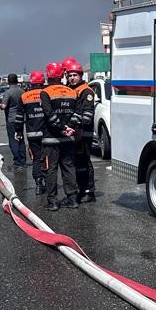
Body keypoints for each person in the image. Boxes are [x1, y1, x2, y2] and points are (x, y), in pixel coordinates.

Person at [39, 61, 78, 211]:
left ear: (48, 75)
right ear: (62, 75)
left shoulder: (46, 92)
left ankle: (53, 201)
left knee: (50, 170)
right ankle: (72, 199)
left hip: (51, 139)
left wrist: (61, 128)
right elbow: (75, 113)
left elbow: (49, 114)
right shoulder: (71, 92)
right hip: (68, 138)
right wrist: (70, 128)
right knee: (68, 168)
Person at [64, 58, 97, 203]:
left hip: (83, 133)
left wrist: (72, 126)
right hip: (73, 132)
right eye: (70, 75)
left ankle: (89, 192)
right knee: (76, 163)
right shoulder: (70, 90)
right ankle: (80, 189)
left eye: (75, 75)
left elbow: (87, 116)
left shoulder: (86, 91)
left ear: (81, 75)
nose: (72, 78)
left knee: (84, 162)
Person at [19, 70, 48, 194]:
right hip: (46, 133)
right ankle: (48, 182)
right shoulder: (47, 93)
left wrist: (18, 131)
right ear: (42, 82)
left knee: (36, 158)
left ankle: (38, 185)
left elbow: (19, 117)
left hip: (32, 133)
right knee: (47, 157)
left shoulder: (25, 96)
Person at [1, 73, 27, 169]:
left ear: (8, 81)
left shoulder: (8, 92)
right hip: (21, 119)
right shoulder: (22, 91)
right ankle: (23, 160)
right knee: (21, 139)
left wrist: (1, 105)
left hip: (11, 119)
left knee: (13, 141)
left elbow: (3, 106)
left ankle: (17, 161)